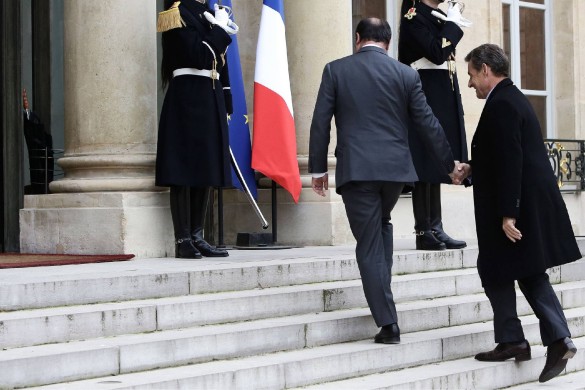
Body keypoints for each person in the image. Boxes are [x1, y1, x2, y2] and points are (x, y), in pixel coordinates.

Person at [309, 17, 462, 344]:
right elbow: (428, 124)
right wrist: (449, 165)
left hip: (358, 171)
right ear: (388, 43)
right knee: (382, 225)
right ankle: (383, 292)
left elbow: (320, 122)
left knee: (369, 243)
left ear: (357, 38)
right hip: (395, 173)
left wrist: (318, 170)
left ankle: (388, 323)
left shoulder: (335, 70)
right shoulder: (406, 74)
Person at [458, 43, 581, 383]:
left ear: (485, 70)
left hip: (517, 205)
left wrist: (508, 213)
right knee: (499, 268)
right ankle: (514, 339)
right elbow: (503, 155)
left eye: (471, 75)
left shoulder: (503, 103)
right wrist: (473, 169)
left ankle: (556, 340)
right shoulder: (508, 99)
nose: (470, 84)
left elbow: (512, 160)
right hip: (518, 200)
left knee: (525, 271)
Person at [156, 0, 238, 258]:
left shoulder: (207, 14)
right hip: (187, 96)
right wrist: (221, 32)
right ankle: (182, 239)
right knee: (183, 168)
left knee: (206, 166)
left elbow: (219, 67)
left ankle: (197, 235)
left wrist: (226, 101)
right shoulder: (176, 13)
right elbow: (199, 55)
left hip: (208, 96)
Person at [398, 0, 469, 250]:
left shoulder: (436, 15)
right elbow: (437, 51)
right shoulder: (413, 16)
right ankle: (423, 230)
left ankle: (436, 226)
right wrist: (452, 23)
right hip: (424, 92)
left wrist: (448, 21)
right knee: (423, 161)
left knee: (438, 159)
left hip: (440, 92)